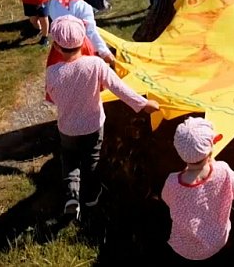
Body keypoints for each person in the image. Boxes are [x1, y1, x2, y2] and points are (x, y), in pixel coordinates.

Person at [45, 16, 160, 219]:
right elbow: (118, 88)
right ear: (84, 41)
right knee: (92, 159)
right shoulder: (96, 64)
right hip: (93, 125)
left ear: (56, 46)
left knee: (69, 158)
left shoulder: (53, 72)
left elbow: (53, 98)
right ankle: (91, 196)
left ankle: (72, 195)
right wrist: (142, 104)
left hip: (67, 127)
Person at [161, 118, 234, 264]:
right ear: (212, 146)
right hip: (218, 241)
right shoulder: (223, 170)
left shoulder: (173, 182)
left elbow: (166, 199)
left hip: (184, 247)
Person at [46, 0, 114, 66]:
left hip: (60, 48)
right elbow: (91, 33)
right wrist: (105, 53)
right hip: (80, 49)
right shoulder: (83, 7)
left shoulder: (54, 2)